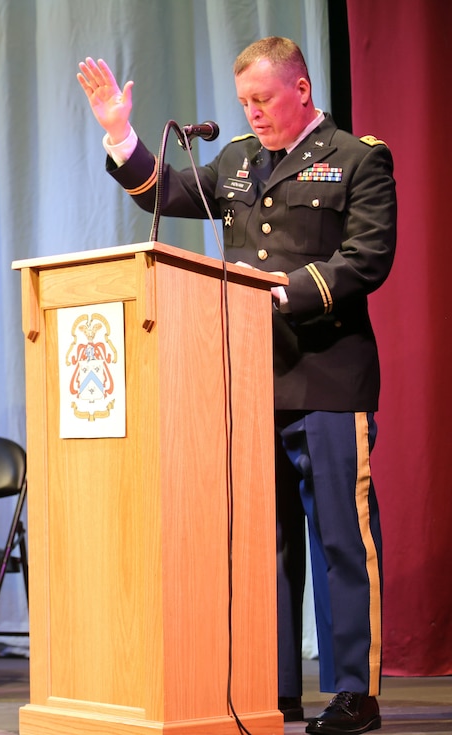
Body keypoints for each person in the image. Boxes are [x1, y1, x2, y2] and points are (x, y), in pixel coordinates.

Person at [77, 37, 394, 735]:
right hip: (247, 380)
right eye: (244, 101)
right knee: (263, 543)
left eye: (264, 99)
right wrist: (119, 132)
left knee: (341, 538)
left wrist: (289, 292)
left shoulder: (357, 156)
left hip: (328, 375)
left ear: (302, 90)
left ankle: (353, 692)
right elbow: (164, 191)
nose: (251, 113)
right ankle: (269, 685)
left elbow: (367, 257)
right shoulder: (237, 160)